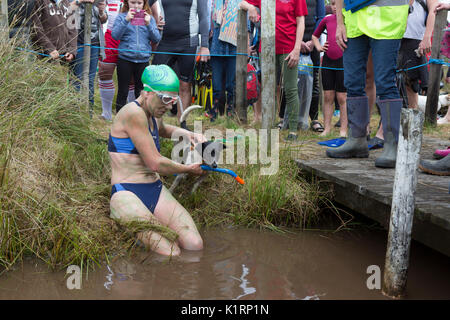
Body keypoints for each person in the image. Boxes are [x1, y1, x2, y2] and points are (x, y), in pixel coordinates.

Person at [109, 64, 206, 256]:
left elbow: (163, 130)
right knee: (170, 253)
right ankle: (127, 230)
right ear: (147, 93)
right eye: (165, 99)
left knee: (195, 245)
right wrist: (188, 169)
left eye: (173, 100)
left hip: (154, 190)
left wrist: (189, 135)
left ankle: (143, 232)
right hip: (126, 192)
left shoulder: (152, 113)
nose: (169, 106)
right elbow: (155, 163)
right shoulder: (133, 113)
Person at [326, 0, 410, 168]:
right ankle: (356, 139)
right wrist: (340, 22)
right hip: (354, 19)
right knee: (352, 81)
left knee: (385, 82)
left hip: (387, 17)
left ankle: (392, 143)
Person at [239, 0, 308, 142]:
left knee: (290, 88)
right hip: (267, 47)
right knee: (268, 88)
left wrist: (296, 49)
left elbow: (301, 21)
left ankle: (293, 130)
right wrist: (251, 7)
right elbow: (241, 3)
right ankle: (268, 126)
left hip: (288, 47)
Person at [98, 0, 161, 121]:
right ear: (127, 3)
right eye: (133, 3)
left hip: (143, 60)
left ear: (144, 4)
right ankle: (120, 119)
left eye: (139, 3)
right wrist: (126, 20)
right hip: (125, 59)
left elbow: (156, 38)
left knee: (140, 91)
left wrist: (148, 24)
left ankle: (139, 118)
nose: (136, 6)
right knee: (123, 89)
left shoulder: (149, 18)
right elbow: (115, 35)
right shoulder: (122, 17)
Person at [152, 0, 211, 121]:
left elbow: (204, 16)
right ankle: (153, 123)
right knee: (155, 82)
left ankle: (182, 124)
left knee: (184, 85)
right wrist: (153, 21)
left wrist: (205, 46)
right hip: (165, 42)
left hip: (188, 43)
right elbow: (143, 4)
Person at [311, 0, 347, 137]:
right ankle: (327, 128)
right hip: (327, 62)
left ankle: (343, 130)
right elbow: (315, 36)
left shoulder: (347, 20)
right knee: (327, 96)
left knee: (342, 97)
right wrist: (319, 47)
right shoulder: (327, 19)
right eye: (332, 4)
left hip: (342, 62)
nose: (334, 7)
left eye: (336, 4)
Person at [70, 0, 107, 107]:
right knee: (77, 78)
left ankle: (88, 112)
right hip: (77, 42)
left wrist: (101, 11)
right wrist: (80, 1)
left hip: (95, 43)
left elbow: (104, 19)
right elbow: (66, 11)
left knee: (90, 79)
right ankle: (74, 111)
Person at [209, 0, 239, 122]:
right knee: (216, 84)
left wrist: (247, 45)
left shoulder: (240, 2)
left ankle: (230, 111)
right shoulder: (213, 3)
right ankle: (214, 112)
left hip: (233, 47)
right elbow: (206, 22)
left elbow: (246, 25)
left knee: (231, 84)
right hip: (216, 47)